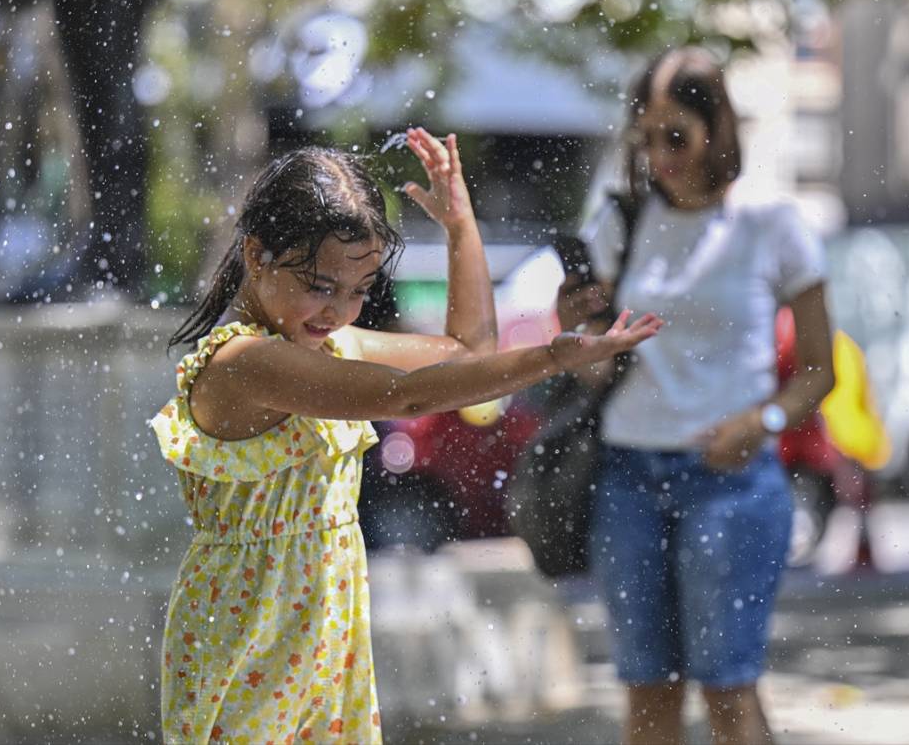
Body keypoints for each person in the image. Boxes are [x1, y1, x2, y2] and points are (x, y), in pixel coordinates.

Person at [149, 128, 662, 743]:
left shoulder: (334, 344)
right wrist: (552, 357)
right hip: (248, 624)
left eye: (358, 292)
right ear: (257, 256)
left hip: (323, 624)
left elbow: (467, 351)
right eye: (320, 286)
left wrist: (461, 228)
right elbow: (408, 395)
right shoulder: (243, 363)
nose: (337, 310)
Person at [580, 48, 835, 745]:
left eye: (677, 135)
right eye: (646, 135)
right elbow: (592, 350)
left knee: (729, 691)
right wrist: (578, 340)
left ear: (716, 128)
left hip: (730, 483)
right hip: (627, 476)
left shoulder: (770, 222)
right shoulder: (622, 221)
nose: (660, 154)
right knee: (647, 694)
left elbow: (820, 370)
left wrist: (766, 420)